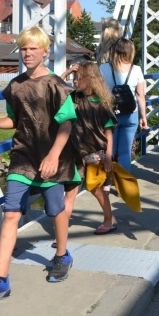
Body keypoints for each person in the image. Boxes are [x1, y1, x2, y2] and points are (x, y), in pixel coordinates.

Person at [0, 26, 78, 304]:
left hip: (51, 158)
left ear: (45, 51)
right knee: (11, 214)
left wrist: (54, 155)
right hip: (23, 157)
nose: (28, 53)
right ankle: (1, 281)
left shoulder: (55, 84)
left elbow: (66, 124)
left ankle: (62, 254)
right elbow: (14, 122)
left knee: (56, 210)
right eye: (24, 49)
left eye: (33, 48)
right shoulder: (15, 87)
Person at [62, 61, 118, 235]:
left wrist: (108, 156)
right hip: (76, 152)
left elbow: (109, 133)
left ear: (90, 79)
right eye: (74, 78)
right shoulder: (74, 98)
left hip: (95, 153)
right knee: (70, 191)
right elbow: (56, 87)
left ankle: (109, 219)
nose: (75, 81)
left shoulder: (101, 104)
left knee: (96, 189)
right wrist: (68, 71)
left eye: (79, 78)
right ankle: (62, 229)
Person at [100, 38, 148, 170]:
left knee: (109, 151)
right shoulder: (137, 69)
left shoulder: (103, 68)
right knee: (125, 152)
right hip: (130, 114)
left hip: (109, 114)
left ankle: (107, 184)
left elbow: (98, 93)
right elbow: (140, 96)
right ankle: (124, 185)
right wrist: (143, 117)